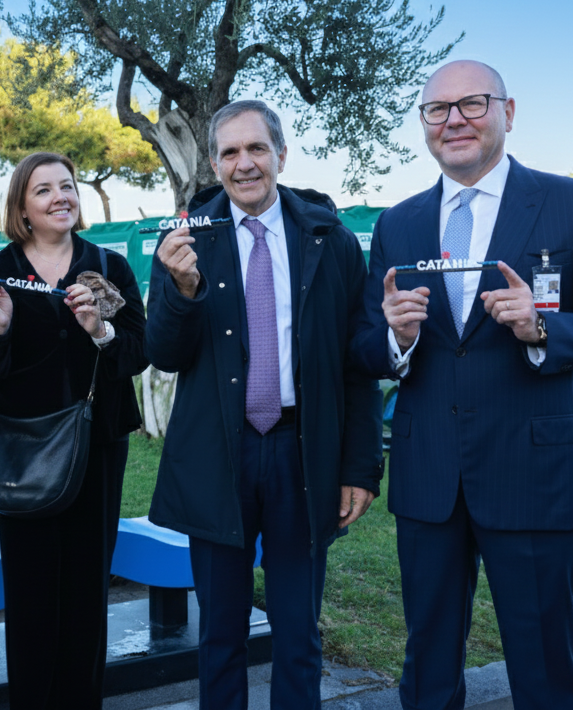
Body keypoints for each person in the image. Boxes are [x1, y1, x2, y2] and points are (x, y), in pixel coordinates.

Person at [355, 60, 573, 710]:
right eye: (438, 109)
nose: (454, 119)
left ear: (507, 113)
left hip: (534, 480)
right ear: (425, 126)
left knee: (545, 672)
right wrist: (396, 341)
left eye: (472, 103)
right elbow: (364, 348)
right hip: (428, 480)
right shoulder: (396, 225)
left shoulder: (572, 203)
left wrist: (545, 328)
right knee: (427, 669)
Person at [146, 100, 383, 710]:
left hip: (302, 455)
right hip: (217, 457)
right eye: (229, 152)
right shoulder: (184, 244)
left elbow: (354, 365)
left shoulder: (329, 241)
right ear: (213, 163)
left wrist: (359, 467)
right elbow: (166, 355)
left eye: (256, 149)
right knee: (220, 631)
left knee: (298, 630)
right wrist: (182, 292)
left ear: (282, 154)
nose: (244, 164)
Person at [0, 151, 148, 709]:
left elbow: (141, 352)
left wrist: (101, 330)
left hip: (96, 446)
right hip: (23, 452)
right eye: (43, 190)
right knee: (28, 593)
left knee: (85, 588)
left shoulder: (107, 265)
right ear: (22, 206)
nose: (60, 197)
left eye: (67, 186)